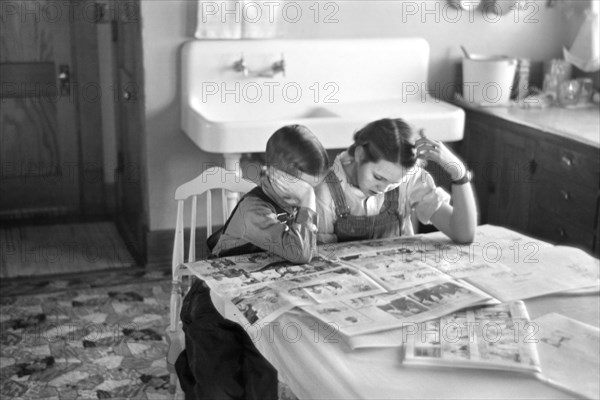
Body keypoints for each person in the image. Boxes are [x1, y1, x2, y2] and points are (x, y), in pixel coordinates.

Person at [175, 124, 329, 400]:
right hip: (213, 306)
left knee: (265, 376)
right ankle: (190, 370)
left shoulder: (289, 205)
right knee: (220, 388)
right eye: (306, 188)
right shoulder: (254, 210)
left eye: (312, 188)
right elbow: (301, 252)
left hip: (253, 304)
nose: (310, 195)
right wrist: (308, 202)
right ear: (279, 177)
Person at [315, 118, 477, 244]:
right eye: (378, 177)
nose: (384, 188)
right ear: (360, 155)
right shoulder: (326, 191)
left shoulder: (410, 179)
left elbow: (463, 234)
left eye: (395, 182)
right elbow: (322, 258)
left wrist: (459, 173)